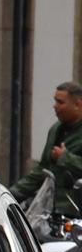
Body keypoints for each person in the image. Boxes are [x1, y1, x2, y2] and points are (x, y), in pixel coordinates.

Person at [12, 81, 82, 218]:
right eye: (55, 101)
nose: (55, 106)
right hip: (51, 211)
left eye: (60, 102)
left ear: (78, 105)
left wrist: (65, 158)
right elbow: (42, 170)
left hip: (77, 214)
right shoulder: (56, 129)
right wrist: (11, 195)